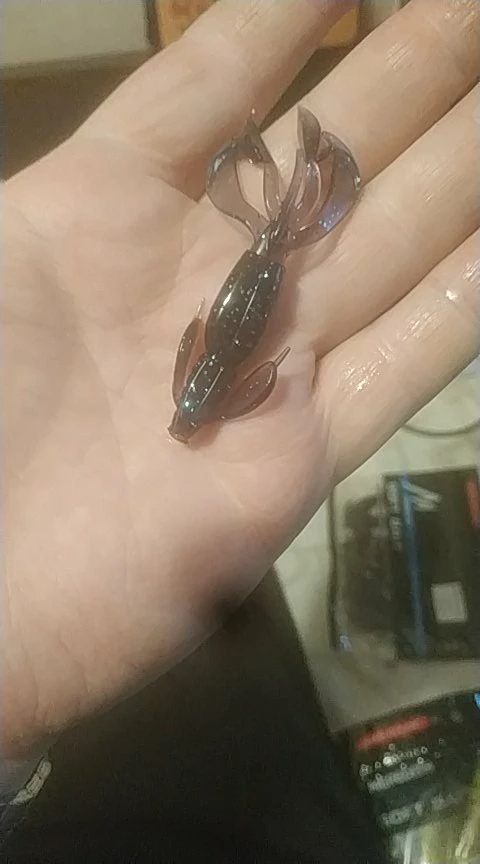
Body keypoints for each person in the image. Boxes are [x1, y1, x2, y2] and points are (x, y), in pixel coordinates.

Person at [2, 0, 478, 859]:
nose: (183, 422)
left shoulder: (210, 375)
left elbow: (224, 350)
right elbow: (228, 354)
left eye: (185, 419)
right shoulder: (208, 385)